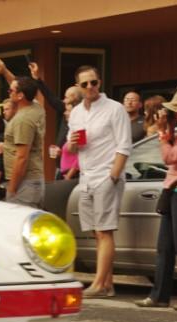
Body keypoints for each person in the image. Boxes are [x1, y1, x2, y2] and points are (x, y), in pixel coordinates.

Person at [66, 65, 132, 298]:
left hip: (106, 175)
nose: (90, 87)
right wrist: (73, 143)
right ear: (78, 87)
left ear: (100, 82)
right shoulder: (76, 113)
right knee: (96, 232)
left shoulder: (115, 109)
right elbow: (72, 148)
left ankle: (98, 283)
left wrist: (113, 176)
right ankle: (109, 283)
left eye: (93, 82)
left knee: (105, 231)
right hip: (86, 176)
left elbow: (125, 145)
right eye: (84, 84)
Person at [134, 85, 177, 311]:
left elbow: (171, 157)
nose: (176, 115)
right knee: (165, 245)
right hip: (174, 189)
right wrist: (168, 129)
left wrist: (163, 136)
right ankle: (159, 296)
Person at [3, 76, 46, 208]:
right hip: (34, 181)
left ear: (21, 95)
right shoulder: (37, 108)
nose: (8, 92)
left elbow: (22, 157)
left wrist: (12, 189)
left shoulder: (23, 120)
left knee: (17, 226)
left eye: (10, 90)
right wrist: (5, 71)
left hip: (24, 183)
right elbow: (28, 87)